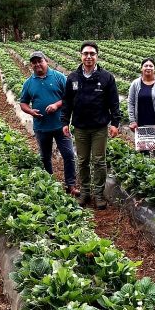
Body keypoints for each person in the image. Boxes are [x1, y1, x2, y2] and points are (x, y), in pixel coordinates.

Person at [61, 41, 121, 210]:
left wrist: (115, 123)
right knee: (82, 160)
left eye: (92, 54)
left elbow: (114, 102)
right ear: (81, 55)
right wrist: (65, 121)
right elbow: (67, 102)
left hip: (99, 127)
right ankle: (86, 192)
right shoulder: (73, 77)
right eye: (85, 53)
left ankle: (99, 194)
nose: (88, 57)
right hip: (80, 127)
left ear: (97, 56)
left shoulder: (106, 77)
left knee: (99, 161)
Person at [19, 51, 77, 193]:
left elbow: (70, 97)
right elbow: (23, 103)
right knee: (45, 156)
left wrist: (57, 105)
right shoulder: (29, 83)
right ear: (31, 65)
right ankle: (49, 183)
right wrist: (31, 112)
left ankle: (71, 185)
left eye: (40, 61)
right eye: (34, 62)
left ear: (47, 61)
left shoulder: (59, 77)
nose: (37, 64)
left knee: (69, 155)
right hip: (41, 127)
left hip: (61, 125)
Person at [127, 57, 155, 158]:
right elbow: (130, 103)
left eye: (151, 66)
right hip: (141, 123)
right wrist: (132, 120)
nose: (148, 68)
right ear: (141, 68)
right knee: (143, 154)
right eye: (145, 66)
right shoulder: (135, 83)